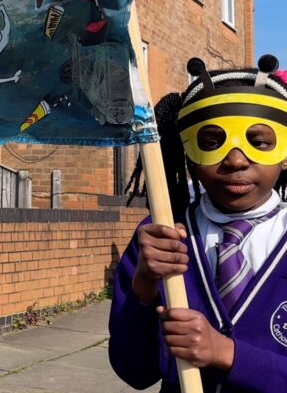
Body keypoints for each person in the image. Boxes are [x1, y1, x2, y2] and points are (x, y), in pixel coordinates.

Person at [110, 55, 287, 392]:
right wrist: (144, 284)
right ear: (187, 153)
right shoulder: (160, 237)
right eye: (211, 142)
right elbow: (135, 370)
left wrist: (228, 354)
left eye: (260, 142)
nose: (235, 160)